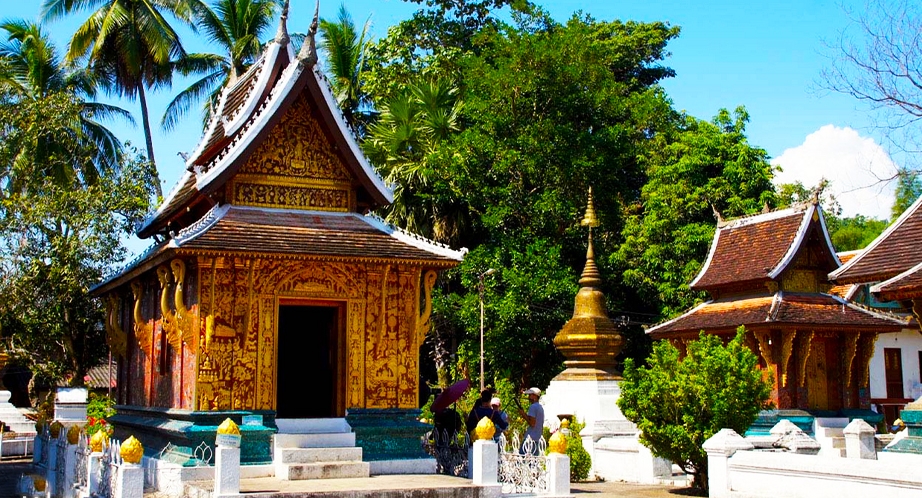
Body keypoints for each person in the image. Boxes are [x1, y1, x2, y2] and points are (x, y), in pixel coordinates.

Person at [518, 387, 544, 454]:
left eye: (530, 395)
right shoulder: (540, 407)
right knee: (533, 462)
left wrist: (523, 415)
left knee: (522, 460)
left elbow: (532, 423)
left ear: (535, 396)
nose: (528, 397)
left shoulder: (533, 407)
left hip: (530, 439)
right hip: (537, 438)